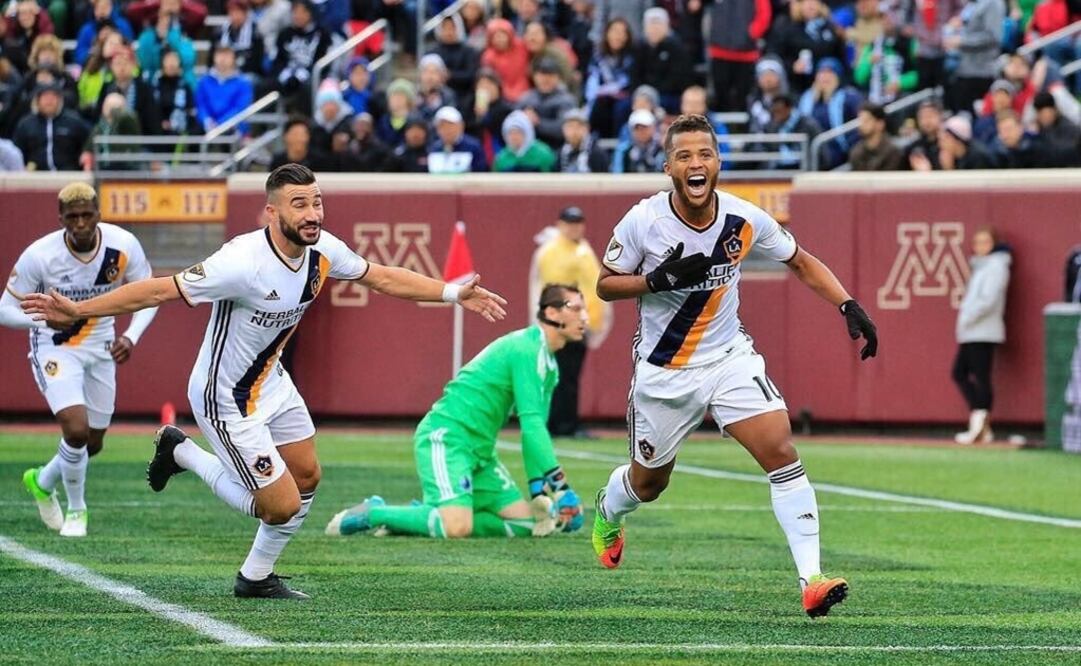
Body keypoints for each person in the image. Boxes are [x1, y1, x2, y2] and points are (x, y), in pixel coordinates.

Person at [22, 164, 508, 598]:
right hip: (224, 396)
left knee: (308, 476)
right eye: (300, 204)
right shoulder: (241, 261)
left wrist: (450, 292)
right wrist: (80, 309)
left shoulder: (324, 250)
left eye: (317, 200)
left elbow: (380, 277)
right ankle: (183, 452)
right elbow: (159, 290)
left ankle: (255, 576)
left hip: (271, 382)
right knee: (279, 507)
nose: (313, 212)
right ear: (271, 213)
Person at [590, 114, 878, 618]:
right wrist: (656, 280)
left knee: (780, 449)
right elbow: (605, 284)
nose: (695, 163)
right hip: (664, 374)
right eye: (684, 156)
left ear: (718, 162)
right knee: (648, 485)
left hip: (728, 359)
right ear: (668, 167)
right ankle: (609, 508)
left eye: (704, 154)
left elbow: (801, 261)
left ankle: (811, 578)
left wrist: (847, 304)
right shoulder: (644, 220)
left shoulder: (744, 219)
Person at [325, 284, 587, 539]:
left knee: (527, 523)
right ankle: (376, 513)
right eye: (576, 308)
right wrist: (561, 488)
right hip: (448, 438)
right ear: (552, 313)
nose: (585, 317)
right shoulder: (526, 349)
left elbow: (535, 431)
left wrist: (538, 490)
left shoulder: (550, 367)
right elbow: (531, 427)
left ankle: (423, 518)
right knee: (456, 527)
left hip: (481, 454)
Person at [1, 183, 157, 538]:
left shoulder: (122, 245)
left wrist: (130, 336)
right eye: (73, 217)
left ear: (99, 215)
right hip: (55, 347)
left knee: (93, 443)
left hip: (102, 344)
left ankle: (41, 481)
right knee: (75, 430)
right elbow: (4, 311)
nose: (81, 223)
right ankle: (77, 511)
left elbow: (149, 295)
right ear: (61, 220)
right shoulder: (40, 255)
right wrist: (43, 319)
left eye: (88, 215)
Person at [529, 210, 612, 437]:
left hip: (580, 321)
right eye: (570, 223)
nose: (575, 228)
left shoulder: (581, 249)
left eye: (578, 223)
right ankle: (560, 424)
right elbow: (554, 289)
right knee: (561, 375)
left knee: (570, 375)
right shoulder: (554, 251)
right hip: (562, 323)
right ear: (560, 224)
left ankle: (566, 422)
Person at [952, 226, 1010, 444]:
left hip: (983, 331)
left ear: (993, 243)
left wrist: (968, 317)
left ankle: (980, 425)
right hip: (971, 331)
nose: (980, 247)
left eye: (985, 242)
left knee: (980, 376)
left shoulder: (997, 267)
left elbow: (989, 300)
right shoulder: (981, 267)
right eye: (977, 242)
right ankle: (981, 424)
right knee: (960, 373)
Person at [706, 0, 771, 111]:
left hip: (746, 55)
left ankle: (743, 128)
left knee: (744, 98)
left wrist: (752, 34)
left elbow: (764, 15)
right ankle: (721, 128)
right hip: (719, 52)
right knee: (720, 96)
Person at [798, 58, 862, 170]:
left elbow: (858, 125)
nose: (825, 77)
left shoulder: (849, 97)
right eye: (821, 72)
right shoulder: (806, 98)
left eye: (829, 72)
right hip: (811, 154)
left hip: (840, 153)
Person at [13, 83, 90, 172]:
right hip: (35, 176)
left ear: (60, 100)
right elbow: (17, 152)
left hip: (69, 175)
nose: (49, 101)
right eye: (45, 97)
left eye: (53, 97)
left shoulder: (74, 121)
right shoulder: (26, 124)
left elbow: (86, 146)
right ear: (37, 100)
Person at [947, 0, 1004, 113]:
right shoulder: (971, 3)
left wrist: (962, 41)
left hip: (982, 74)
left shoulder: (992, 3)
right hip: (964, 71)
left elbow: (993, 36)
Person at [585, 17, 638, 138]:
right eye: (614, 31)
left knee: (622, 107)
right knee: (598, 107)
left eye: (622, 33)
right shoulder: (598, 56)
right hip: (603, 96)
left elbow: (633, 81)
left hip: (625, 96)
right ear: (607, 34)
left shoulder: (633, 56)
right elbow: (592, 82)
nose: (617, 36)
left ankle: (619, 141)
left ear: (627, 36)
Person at [518, 57, 577, 150]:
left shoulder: (566, 100)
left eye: (550, 75)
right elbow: (513, 126)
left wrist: (537, 123)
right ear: (534, 77)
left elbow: (563, 129)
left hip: (556, 149)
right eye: (542, 75)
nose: (545, 79)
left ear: (558, 77)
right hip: (528, 151)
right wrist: (523, 119)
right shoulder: (526, 98)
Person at [640, 7, 690, 114]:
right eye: (651, 24)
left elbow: (678, 77)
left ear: (666, 26)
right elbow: (635, 74)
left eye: (658, 24)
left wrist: (654, 93)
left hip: (669, 94)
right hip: (644, 93)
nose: (654, 28)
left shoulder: (676, 47)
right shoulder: (639, 47)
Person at [196, 44, 254, 135]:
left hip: (234, 129)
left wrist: (220, 124)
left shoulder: (243, 83)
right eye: (219, 54)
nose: (222, 59)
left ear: (233, 58)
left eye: (226, 55)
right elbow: (201, 106)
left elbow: (240, 108)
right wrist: (207, 121)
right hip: (207, 128)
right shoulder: (204, 81)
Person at [481, 18, 531, 103]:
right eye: (495, 36)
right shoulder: (488, 56)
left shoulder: (521, 46)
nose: (499, 39)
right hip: (503, 96)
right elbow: (492, 81)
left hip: (526, 91)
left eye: (502, 35)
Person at [433, 14, 480, 101]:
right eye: (445, 28)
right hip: (437, 97)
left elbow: (471, 75)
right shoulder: (433, 52)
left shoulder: (469, 51)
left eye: (452, 28)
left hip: (464, 96)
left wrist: (450, 75)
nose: (448, 32)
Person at [213, 0, 266, 78]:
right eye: (232, 12)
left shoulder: (255, 33)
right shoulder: (219, 32)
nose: (235, 15)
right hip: (222, 72)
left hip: (246, 73)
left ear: (245, 14)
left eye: (239, 12)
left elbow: (256, 62)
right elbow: (212, 57)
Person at [428, 105, 488, 174]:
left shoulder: (473, 147)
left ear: (461, 125)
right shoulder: (434, 148)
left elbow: (480, 173)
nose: (446, 130)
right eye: (442, 126)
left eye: (450, 125)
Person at [849, 102, 904, 171]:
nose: (861, 125)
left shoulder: (893, 152)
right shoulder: (856, 152)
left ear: (880, 124)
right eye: (860, 120)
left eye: (866, 120)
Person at [612, 108, 665, 173]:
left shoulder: (663, 148)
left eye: (645, 127)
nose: (641, 131)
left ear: (653, 128)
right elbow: (617, 174)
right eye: (637, 128)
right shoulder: (623, 150)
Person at [558, 107, 610, 173]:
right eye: (570, 126)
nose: (574, 131)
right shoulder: (561, 152)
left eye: (578, 127)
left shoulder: (597, 153)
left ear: (587, 128)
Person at [905, 100, 943, 170]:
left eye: (930, 116)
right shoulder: (913, 147)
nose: (926, 121)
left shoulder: (947, 145)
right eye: (922, 117)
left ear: (940, 116)